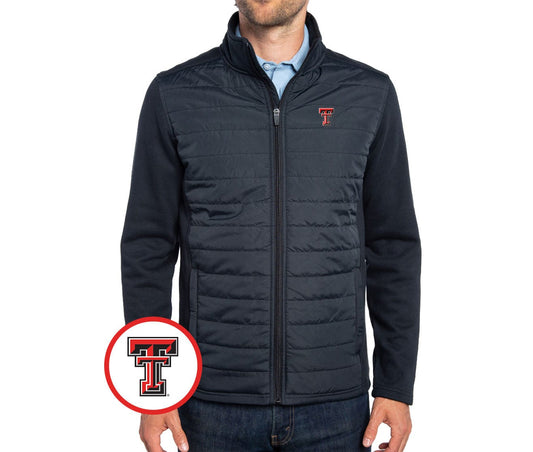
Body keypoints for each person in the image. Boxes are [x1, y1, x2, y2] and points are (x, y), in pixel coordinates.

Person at [120, 1, 422, 451]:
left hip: (336, 408)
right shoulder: (175, 94)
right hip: (211, 405)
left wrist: (396, 384)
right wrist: (154, 389)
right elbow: (148, 247)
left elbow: (392, 246)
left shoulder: (368, 94)